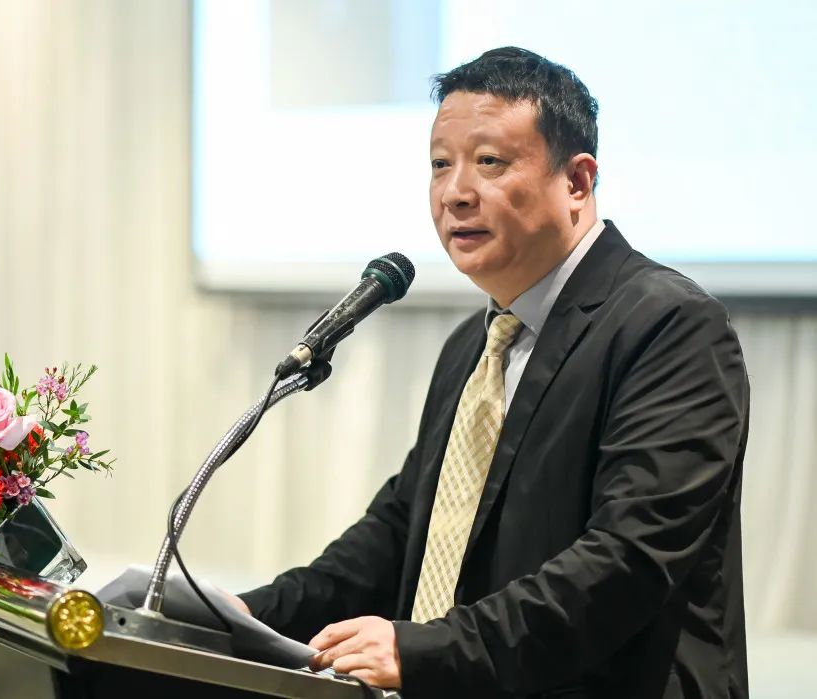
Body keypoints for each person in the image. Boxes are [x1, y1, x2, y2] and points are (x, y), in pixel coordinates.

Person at [228, 47, 750, 699]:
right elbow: (400, 533)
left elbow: (628, 561)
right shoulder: (471, 346)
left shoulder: (668, 326)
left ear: (577, 182)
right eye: (440, 164)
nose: (455, 192)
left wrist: (425, 651)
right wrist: (244, 616)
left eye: (490, 162)